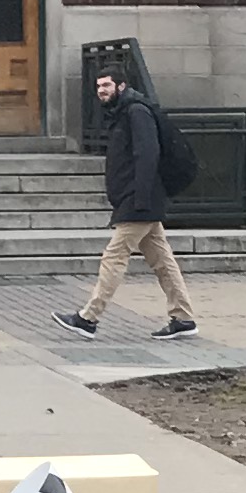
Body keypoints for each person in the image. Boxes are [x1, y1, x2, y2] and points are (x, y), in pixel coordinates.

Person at [59, 62, 199, 341]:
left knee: (114, 257)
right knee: (162, 261)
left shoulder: (136, 112)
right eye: (98, 86)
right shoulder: (122, 113)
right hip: (138, 199)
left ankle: (89, 317)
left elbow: (147, 156)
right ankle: (183, 318)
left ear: (121, 86)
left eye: (107, 85)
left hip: (139, 200)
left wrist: (140, 198)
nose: (101, 91)